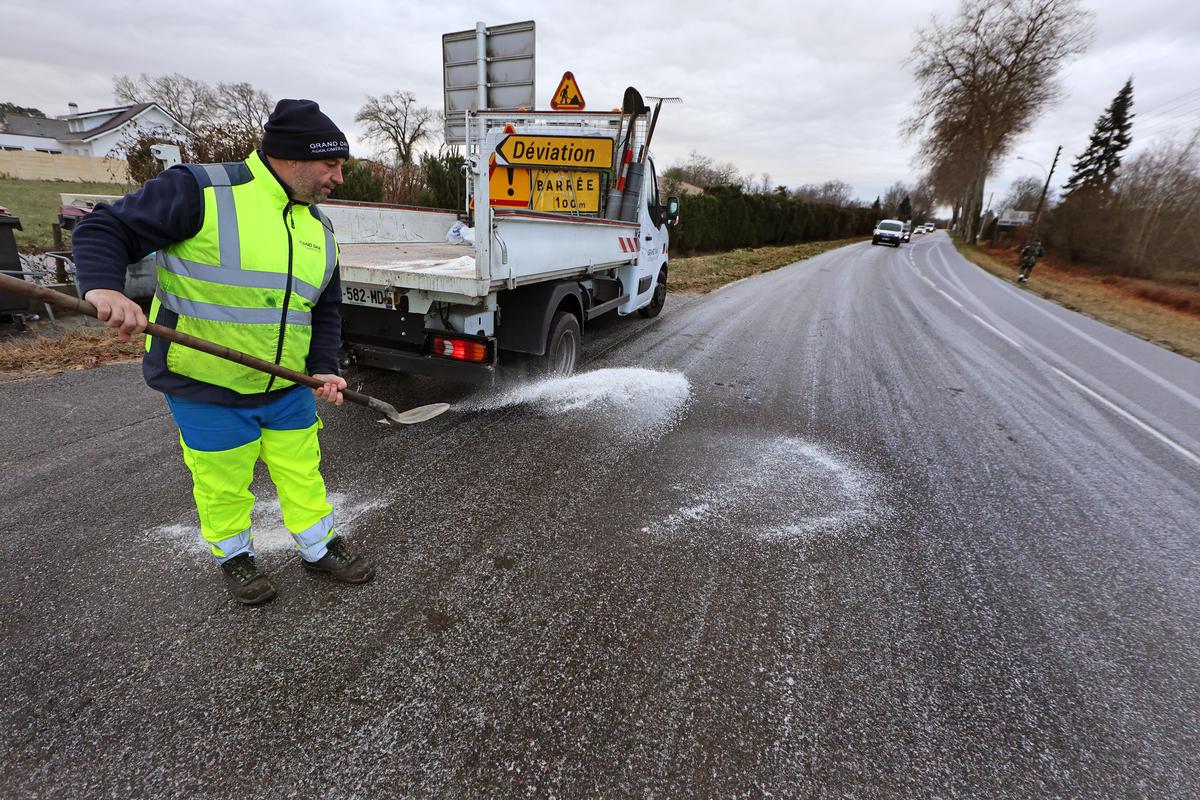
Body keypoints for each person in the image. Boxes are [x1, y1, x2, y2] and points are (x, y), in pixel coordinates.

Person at [73, 99, 374, 606]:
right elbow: (106, 226)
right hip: (206, 384)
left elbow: (324, 309)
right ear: (293, 158)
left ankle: (320, 548)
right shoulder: (201, 190)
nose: (338, 178)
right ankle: (236, 557)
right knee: (222, 481)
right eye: (331, 165)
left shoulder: (318, 229)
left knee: (303, 472)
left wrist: (323, 368)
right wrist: (105, 287)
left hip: (287, 386)